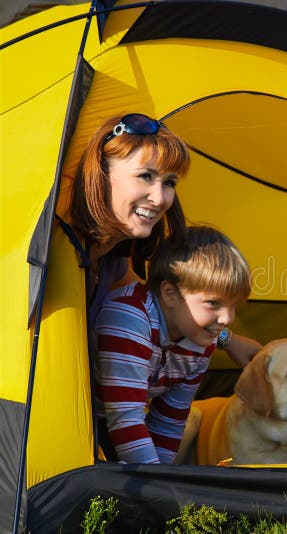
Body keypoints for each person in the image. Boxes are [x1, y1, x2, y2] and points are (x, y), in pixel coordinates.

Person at [68, 112, 258, 366]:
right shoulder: (61, 252)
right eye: (145, 176)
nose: (159, 198)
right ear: (101, 171)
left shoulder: (114, 263)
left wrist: (228, 340)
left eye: (169, 182)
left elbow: (164, 308)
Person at [94, 226, 253, 464]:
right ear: (169, 294)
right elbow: (125, 418)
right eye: (214, 303)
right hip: (84, 411)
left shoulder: (201, 340)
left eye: (234, 306)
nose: (228, 319)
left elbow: (169, 422)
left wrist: (163, 478)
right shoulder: (129, 318)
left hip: (119, 414)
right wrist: (157, 488)